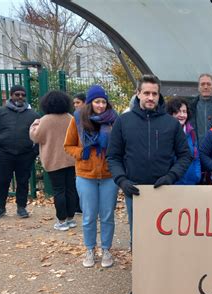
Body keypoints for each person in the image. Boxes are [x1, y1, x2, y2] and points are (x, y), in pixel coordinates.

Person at [107, 75, 192, 249]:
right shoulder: (123, 122)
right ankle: (140, 274)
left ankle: (161, 273)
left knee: (163, 237)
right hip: (135, 190)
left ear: (159, 95)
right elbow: (113, 156)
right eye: (146, 93)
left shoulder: (171, 124)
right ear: (138, 93)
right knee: (138, 236)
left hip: (163, 189)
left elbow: (185, 155)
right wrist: (122, 180)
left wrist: (171, 176)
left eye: (155, 93)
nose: (151, 97)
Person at [64, 85, 119, 268]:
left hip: (109, 175)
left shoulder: (114, 120)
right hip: (85, 174)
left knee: (107, 215)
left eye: (103, 101)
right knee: (88, 215)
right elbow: (68, 145)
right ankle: (89, 249)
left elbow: (120, 145)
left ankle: (106, 249)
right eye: (97, 101)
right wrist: (82, 152)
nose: (101, 105)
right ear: (90, 102)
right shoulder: (78, 119)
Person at [0, 85, 39, 220]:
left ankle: (21, 207)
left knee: (23, 181)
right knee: (2, 181)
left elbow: (40, 133)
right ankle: (0, 208)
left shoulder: (33, 114)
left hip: (25, 154)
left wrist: (34, 152)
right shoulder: (0, 112)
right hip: (4, 154)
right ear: (11, 95)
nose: (20, 97)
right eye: (17, 94)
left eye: (23, 94)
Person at [29, 91, 78, 231]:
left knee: (59, 191)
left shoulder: (45, 120)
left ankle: (61, 221)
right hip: (71, 159)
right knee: (70, 189)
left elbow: (36, 137)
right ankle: (71, 218)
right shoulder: (70, 118)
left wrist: (34, 124)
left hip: (53, 161)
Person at [166, 97, 201, 185]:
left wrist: (197, 176)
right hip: (172, 184)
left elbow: (196, 157)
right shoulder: (165, 133)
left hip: (191, 183)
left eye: (184, 111)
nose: (182, 115)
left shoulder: (191, 132)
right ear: (170, 114)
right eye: (177, 111)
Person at [190, 73, 212, 143]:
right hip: (197, 150)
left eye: (208, 84)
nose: (205, 87)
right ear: (198, 87)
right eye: (202, 84)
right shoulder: (190, 107)